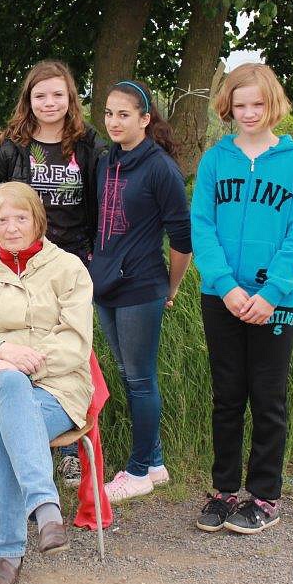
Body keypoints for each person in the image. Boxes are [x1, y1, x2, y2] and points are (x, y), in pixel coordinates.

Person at [0, 182, 93, 584]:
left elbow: (75, 343)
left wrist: (22, 364)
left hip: (58, 388)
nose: (11, 227)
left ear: (37, 221)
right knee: (8, 385)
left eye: (20, 218)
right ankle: (46, 508)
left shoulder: (68, 269)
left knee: (4, 428)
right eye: (2, 220)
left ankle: (8, 553)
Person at [190, 63, 293, 534]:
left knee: (267, 398)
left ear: (272, 104)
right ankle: (224, 489)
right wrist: (226, 285)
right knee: (227, 396)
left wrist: (272, 293)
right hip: (221, 296)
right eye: (239, 105)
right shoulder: (215, 160)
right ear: (228, 106)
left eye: (257, 104)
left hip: (274, 301)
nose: (248, 113)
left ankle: (264, 495)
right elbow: (201, 226)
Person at [0, 59, 104, 487]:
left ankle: (66, 453)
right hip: (22, 264)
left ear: (71, 98)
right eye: (40, 95)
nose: (49, 102)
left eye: (57, 94)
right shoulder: (13, 147)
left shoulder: (86, 144)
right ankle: (28, 451)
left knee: (65, 350)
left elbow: (102, 201)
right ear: (28, 100)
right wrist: (14, 231)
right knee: (22, 341)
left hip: (71, 263)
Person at [88, 80, 193, 503]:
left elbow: (182, 239)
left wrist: (171, 286)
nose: (114, 122)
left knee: (139, 379)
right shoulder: (106, 162)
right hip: (105, 286)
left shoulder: (160, 169)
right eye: (109, 113)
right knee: (128, 373)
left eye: (124, 114)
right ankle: (155, 462)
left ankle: (136, 472)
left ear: (145, 119)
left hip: (142, 287)